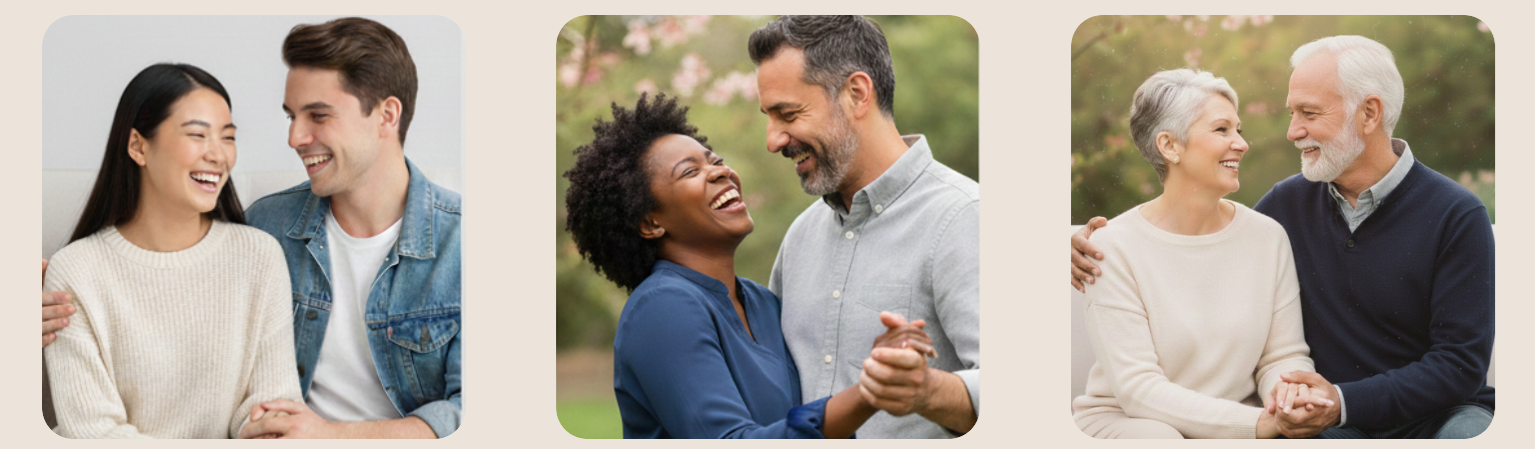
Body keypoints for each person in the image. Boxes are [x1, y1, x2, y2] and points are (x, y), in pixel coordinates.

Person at [42, 17, 463, 439]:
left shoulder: (463, 242)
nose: (295, 137)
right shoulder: (270, 229)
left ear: (387, 115)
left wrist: (333, 437)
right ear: (137, 146)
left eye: (317, 115)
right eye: (291, 116)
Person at [1071, 36, 1494, 439]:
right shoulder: (1284, 209)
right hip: (1327, 424)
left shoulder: (1456, 215)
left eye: (1309, 114)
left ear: (1369, 114)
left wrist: (1340, 401)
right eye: (1292, 113)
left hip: (1435, 415)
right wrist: (1084, 243)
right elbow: (1198, 245)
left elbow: (1459, 363)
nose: (1292, 131)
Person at [564, 93, 934, 439]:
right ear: (650, 223)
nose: (720, 172)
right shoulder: (661, 308)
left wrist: (887, 361)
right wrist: (869, 392)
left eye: (716, 160)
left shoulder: (762, 302)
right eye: (689, 172)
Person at [748, 15, 979, 438]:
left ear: (857, 93)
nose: (773, 140)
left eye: (788, 114)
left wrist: (926, 390)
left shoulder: (964, 216)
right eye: (769, 116)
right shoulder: (799, 237)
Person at [43, 63, 302, 438]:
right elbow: (93, 433)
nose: (218, 155)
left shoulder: (259, 256)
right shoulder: (76, 271)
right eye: (198, 134)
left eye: (227, 137)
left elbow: (272, 408)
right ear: (138, 146)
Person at [1070, 68, 1320, 439]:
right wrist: (1257, 424)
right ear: (1170, 146)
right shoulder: (1110, 248)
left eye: (1239, 130)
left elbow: (1281, 357)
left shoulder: (1267, 238)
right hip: (1133, 423)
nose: (1240, 143)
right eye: (1221, 130)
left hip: (1238, 423)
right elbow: (1138, 390)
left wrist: (1288, 401)